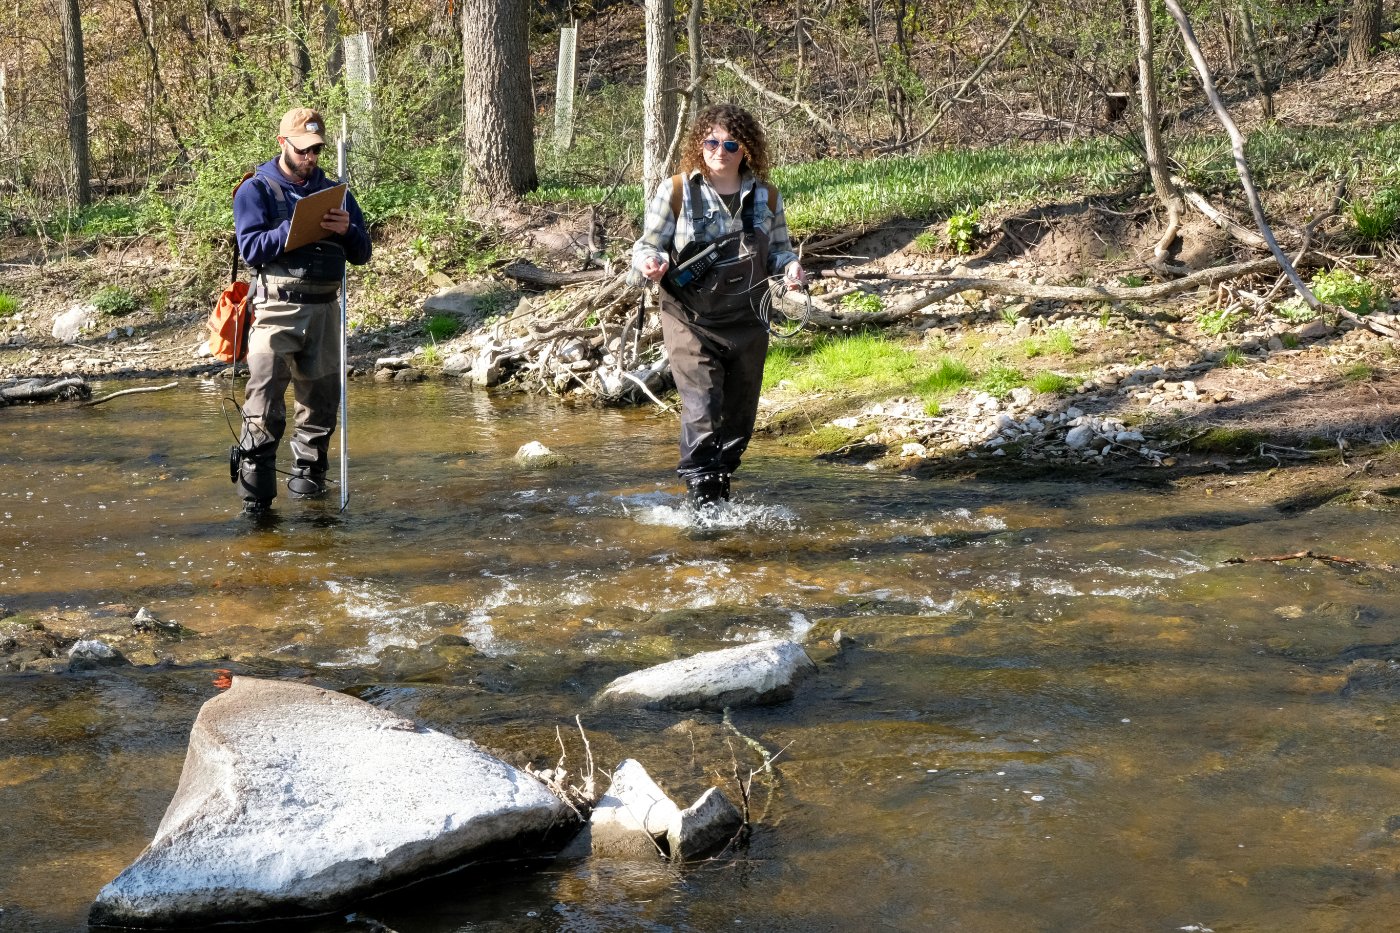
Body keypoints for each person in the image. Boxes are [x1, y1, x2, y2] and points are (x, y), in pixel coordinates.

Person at [629, 103, 805, 508]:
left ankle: (719, 494)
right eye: (711, 141)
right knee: (702, 409)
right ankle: (703, 510)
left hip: (750, 320)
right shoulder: (675, 191)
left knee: (739, 422)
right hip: (689, 319)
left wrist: (792, 268)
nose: (719, 151)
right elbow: (647, 245)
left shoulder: (768, 196)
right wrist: (650, 263)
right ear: (699, 144)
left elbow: (779, 252)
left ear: (746, 149)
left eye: (730, 143)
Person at [231, 107, 371, 514]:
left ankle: (312, 504)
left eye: (317, 150)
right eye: (304, 149)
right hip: (276, 309)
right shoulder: (255, 190)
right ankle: (256, 510)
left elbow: (362, 254)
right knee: (263, 405)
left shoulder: (336, 192)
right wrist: (296, 226)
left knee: (321, 407)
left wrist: (348, 230)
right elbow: (251, 248)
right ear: (283, 144)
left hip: (326, 312)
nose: (311, 158)